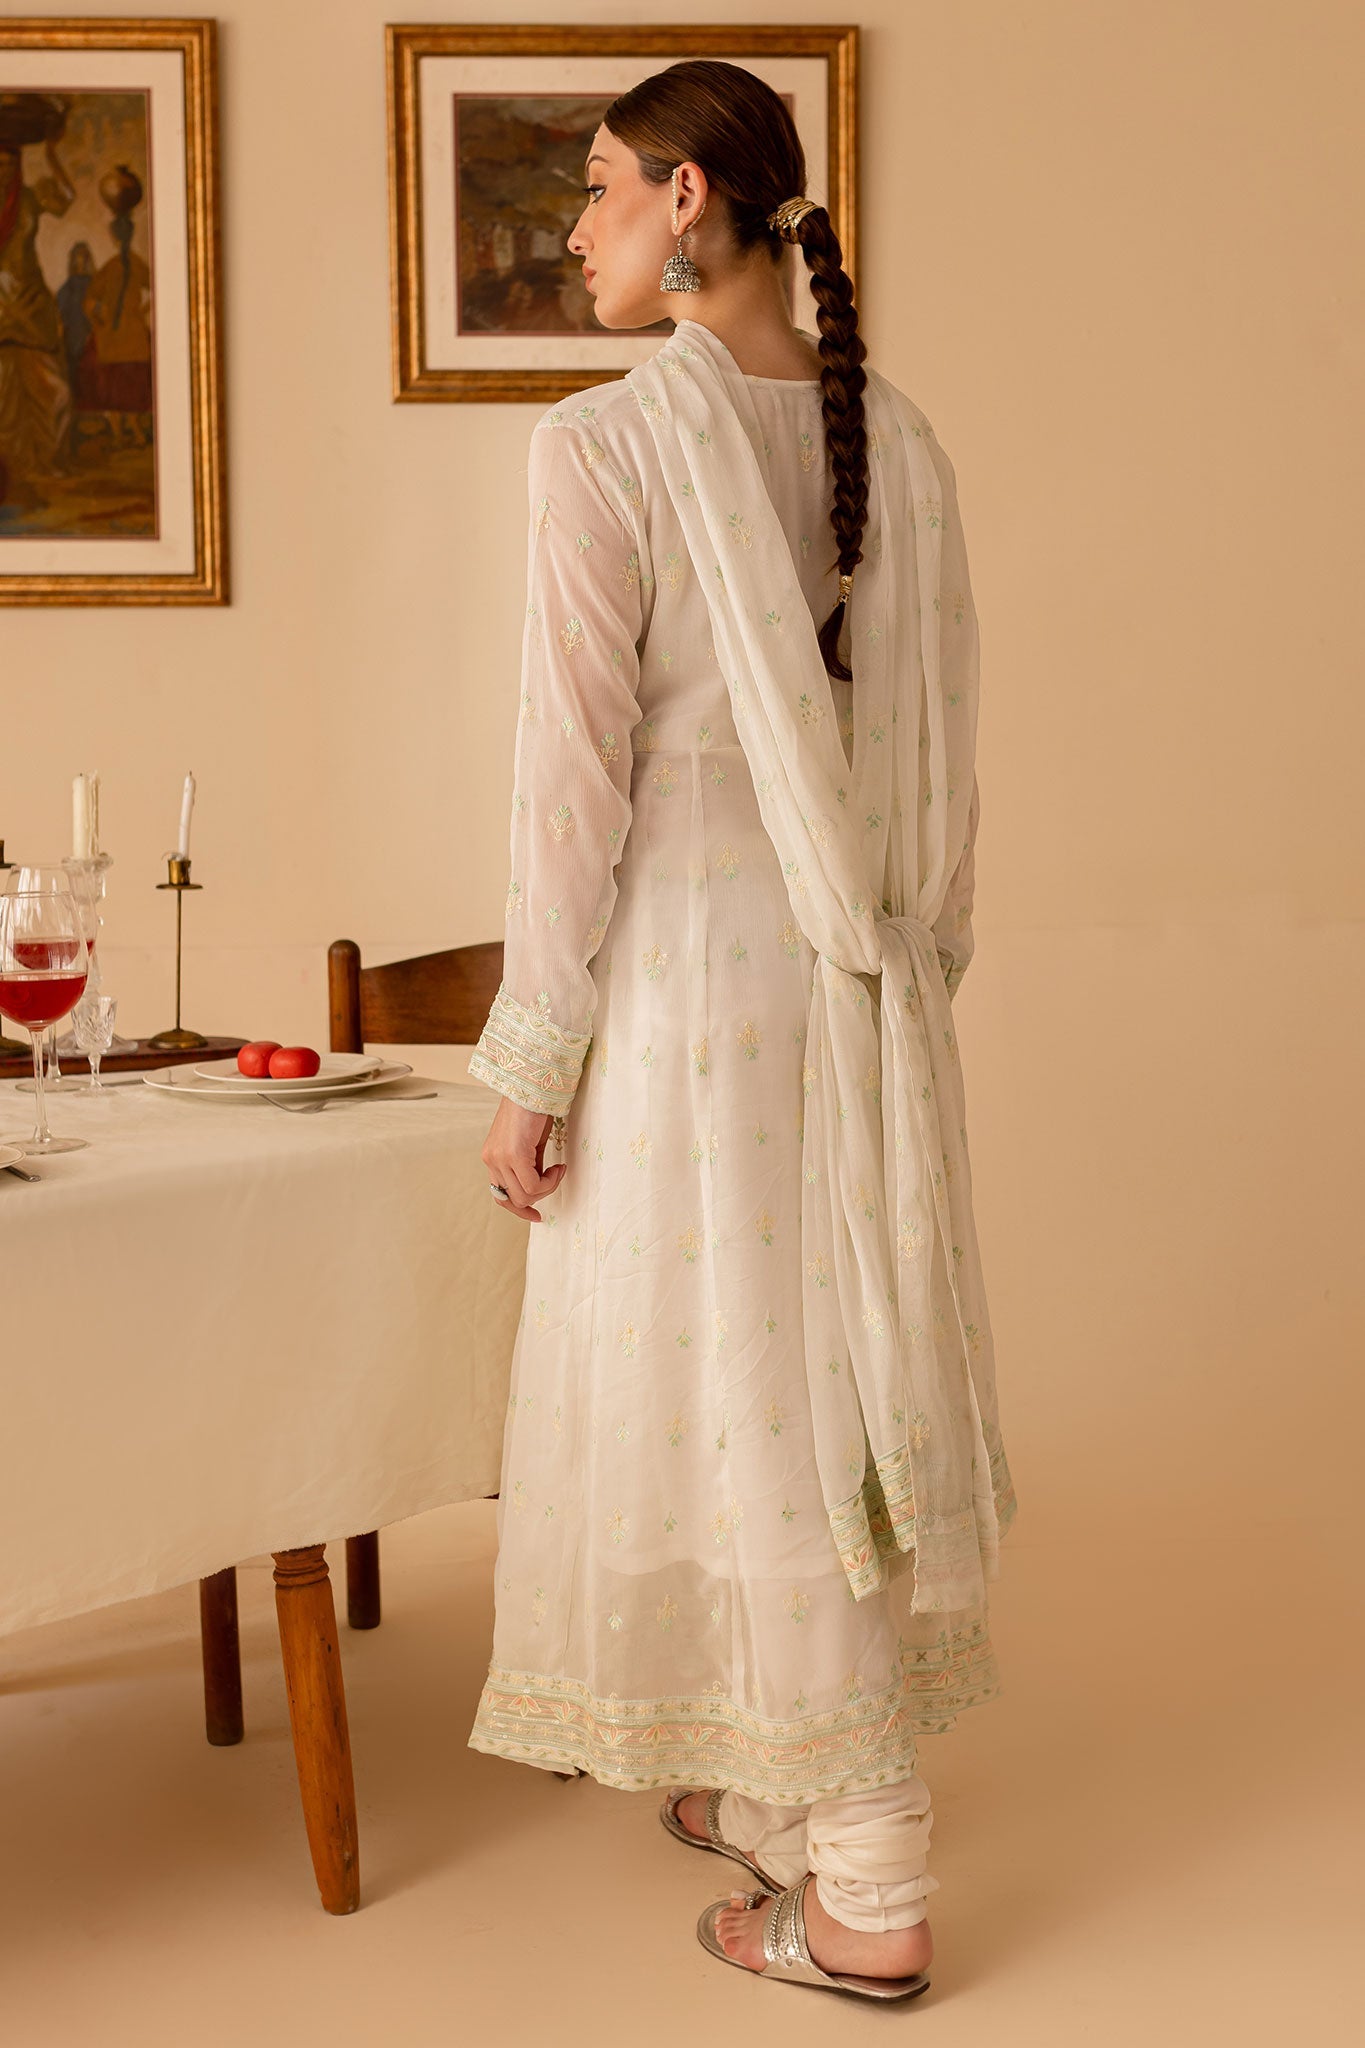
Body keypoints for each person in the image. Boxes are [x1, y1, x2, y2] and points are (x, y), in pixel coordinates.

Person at [466, 58, 1017, 2000]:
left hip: (686, 996)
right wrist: (903, 984)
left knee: (750, 1404)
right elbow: (939, 766)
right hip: (855, 990)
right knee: (810, 1391)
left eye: (599, 189)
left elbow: (572, 789)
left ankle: (866, 1882)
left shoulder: (608, 444)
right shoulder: (898, 440)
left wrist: (532, 1057)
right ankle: (786, 1787)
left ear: (688, 196)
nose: (577, 231)